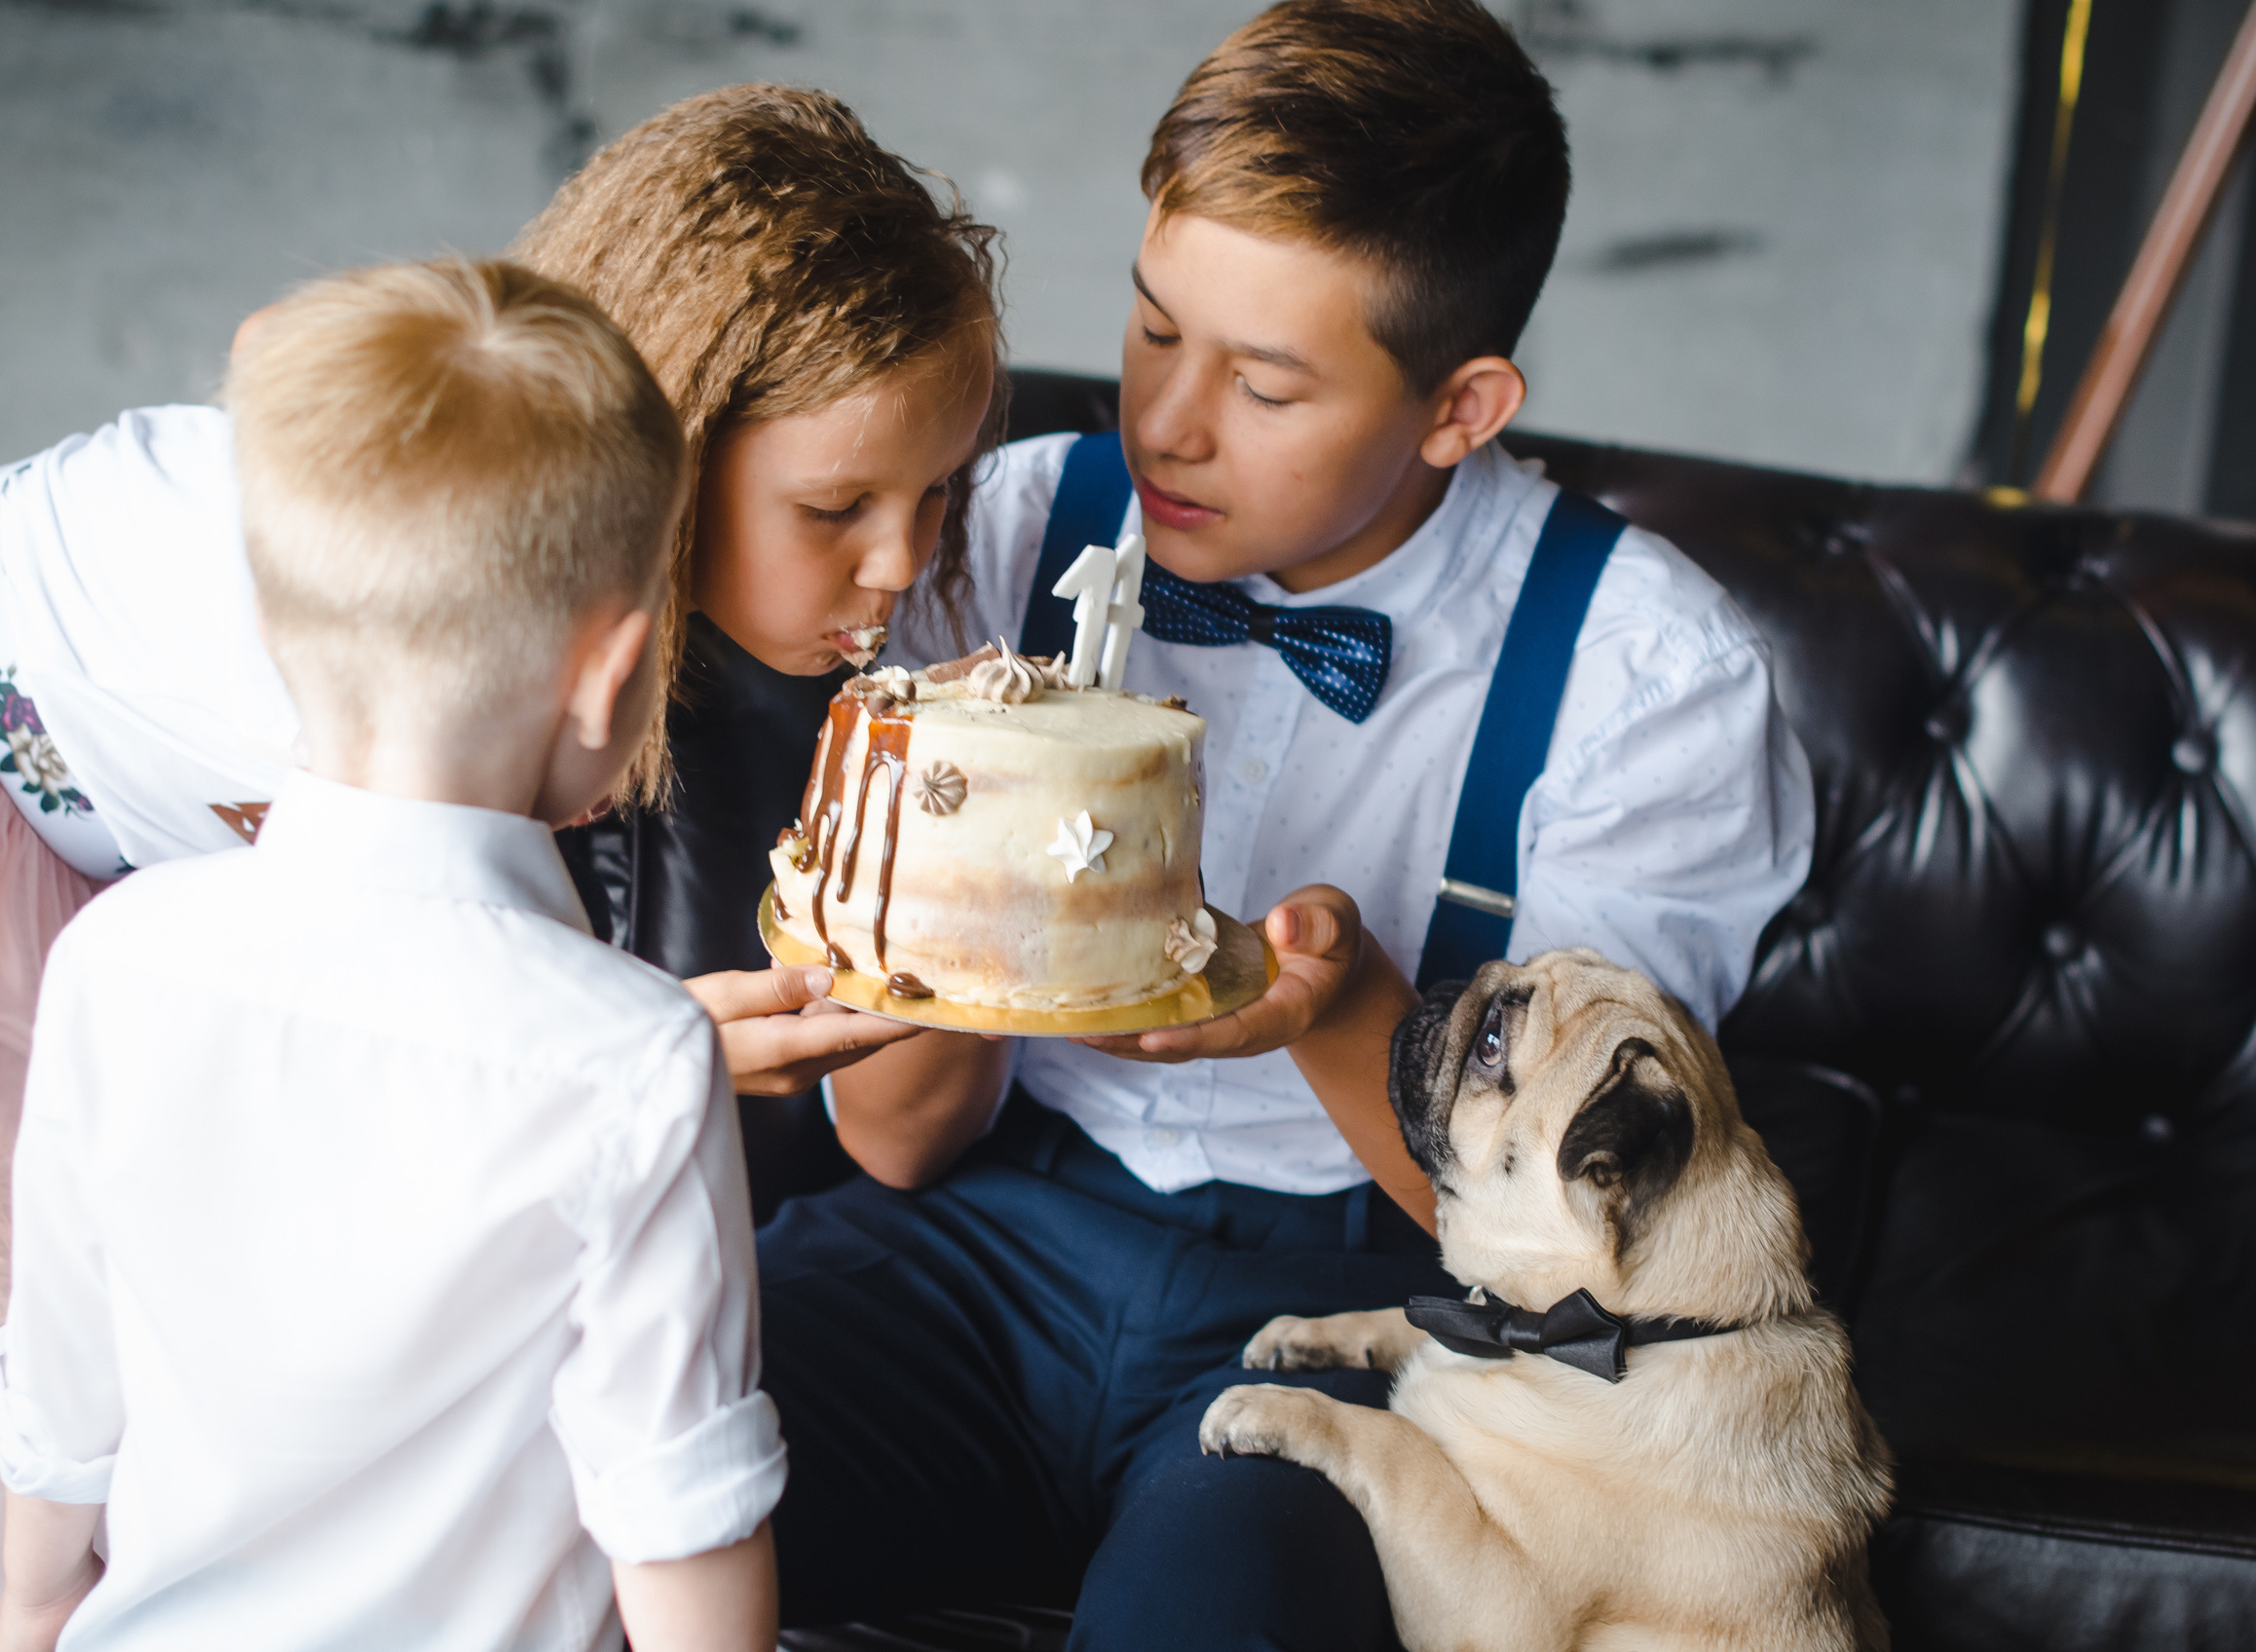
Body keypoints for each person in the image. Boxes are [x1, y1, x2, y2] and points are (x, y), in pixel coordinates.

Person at [758, 2, 1815, 1647]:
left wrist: (1340, 1010)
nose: (1168, 423)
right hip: (975, 1234)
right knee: (587, 1460)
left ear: (1461, 408)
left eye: (1263, 384)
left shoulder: (1650, 678)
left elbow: (1578, 1260)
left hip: (1361, 1306)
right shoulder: (1007, 528)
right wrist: (979, 885)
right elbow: (896, 1144)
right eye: (1152, 326)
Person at [0, 84, 1000, 1287]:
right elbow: (381, 1075)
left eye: (937, 490)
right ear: (680, 440)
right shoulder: (438, 629)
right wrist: (647, 1052)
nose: (900, 563)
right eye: (834, 508)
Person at [0, 259, 787, 1651]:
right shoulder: (633, 1058)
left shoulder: (113, 959)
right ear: (612, 673)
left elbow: (55, 1426)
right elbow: (677, 1521)